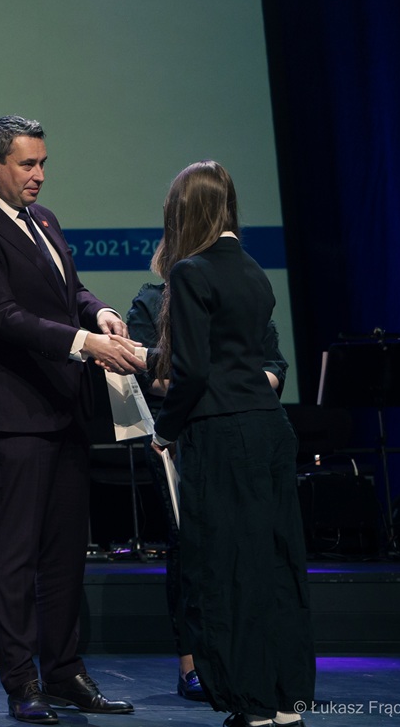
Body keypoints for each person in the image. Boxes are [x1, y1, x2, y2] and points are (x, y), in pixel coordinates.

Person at [0, 116, 143, 724]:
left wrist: (99, 312)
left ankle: (64, 672)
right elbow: (2, 317)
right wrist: (84, 343)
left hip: (64, 408)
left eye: (42, 163)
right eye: (27, 164)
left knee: (64, 553)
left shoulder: (45, 220)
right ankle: (21, 682)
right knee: (15, 555)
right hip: (15, 415)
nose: (39, 175)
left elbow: (69, 292)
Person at [150, 162, 314, 727]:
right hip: (271, 430)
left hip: (222, 435)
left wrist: (164, 430)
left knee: (227, 568)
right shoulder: (254, 271)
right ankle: (286, 701)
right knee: (276, 565)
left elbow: (193, 372)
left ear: (183, 213)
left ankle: (251, 704)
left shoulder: (190, 273)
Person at [126, 266, 287, 704]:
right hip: (180, 438)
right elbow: (148, 375)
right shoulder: (153, 299)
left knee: (250, 544)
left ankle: (249, 657)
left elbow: (273, 364)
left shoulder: (239, 293)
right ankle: (192, 663)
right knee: (191, 549)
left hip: (243, 434)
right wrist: (224, 386)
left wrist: (219, 387)